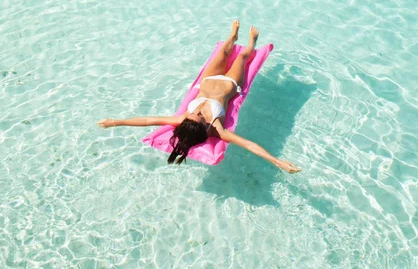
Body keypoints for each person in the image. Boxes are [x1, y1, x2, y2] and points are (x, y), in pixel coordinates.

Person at [98, 21, 301, 173]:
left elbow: (148, 120)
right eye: (199, 117)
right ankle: (252, 43)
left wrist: (115, 122)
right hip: (230, 83)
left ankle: (232, 36)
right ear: (204, 126)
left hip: (208, 78)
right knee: (241, 57)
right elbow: (248, 144)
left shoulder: (182, 119)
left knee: (223, 51)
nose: (195, 112)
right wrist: (278, 162)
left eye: (192, 114)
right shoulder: (217, 128)